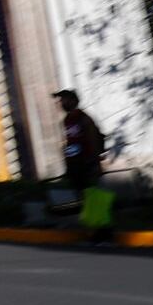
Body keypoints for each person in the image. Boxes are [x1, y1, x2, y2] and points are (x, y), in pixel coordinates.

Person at [56, 88, 113, 243]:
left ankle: (103, 233)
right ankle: (95, 232)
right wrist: (69, 163)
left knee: (94, 198)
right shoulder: (67, 120)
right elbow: (71, 143)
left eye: (63, 100)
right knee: (85, 199)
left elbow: (92, 140)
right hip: (76, 166)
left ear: (73, 101)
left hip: (88, 164)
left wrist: (93, 162)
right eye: (60, 100)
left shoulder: (84, 118)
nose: (60, 103)